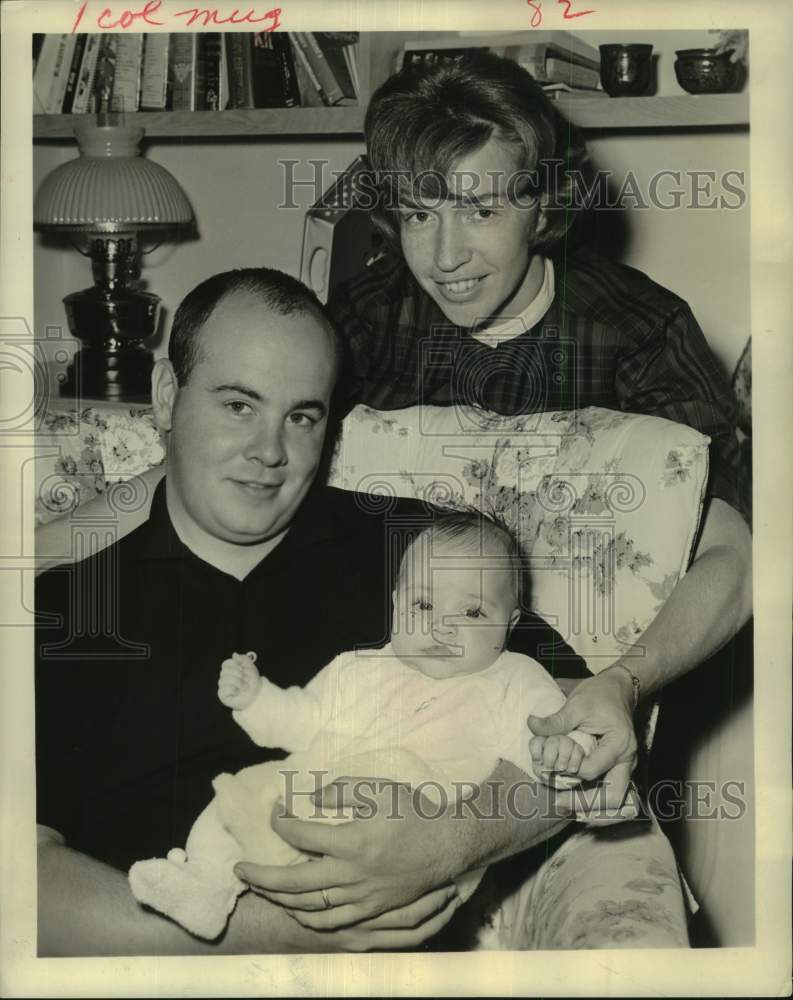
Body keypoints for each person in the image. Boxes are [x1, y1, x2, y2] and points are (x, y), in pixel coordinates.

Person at [35, 267, 688, 957]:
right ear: (167, 395)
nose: (270, 451)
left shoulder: (414, 552)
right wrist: (288, 930)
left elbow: (583, 736)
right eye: (238, 406)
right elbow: (21, 884)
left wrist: (453, 840)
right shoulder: (65, 614)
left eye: (301, 416)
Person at [127, 513, 596, 942]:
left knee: (394, 768)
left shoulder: (514, 678)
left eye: (472, 612)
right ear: (396, 604)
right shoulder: (356, 668)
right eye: (424, 604)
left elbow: (553, 726)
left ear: (509, 624)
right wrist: (256, 697)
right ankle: (205, 885)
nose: (442, 628)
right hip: (309, 805)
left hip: (411, 837)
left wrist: (565, 748)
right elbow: (299, 723)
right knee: (237, 796)